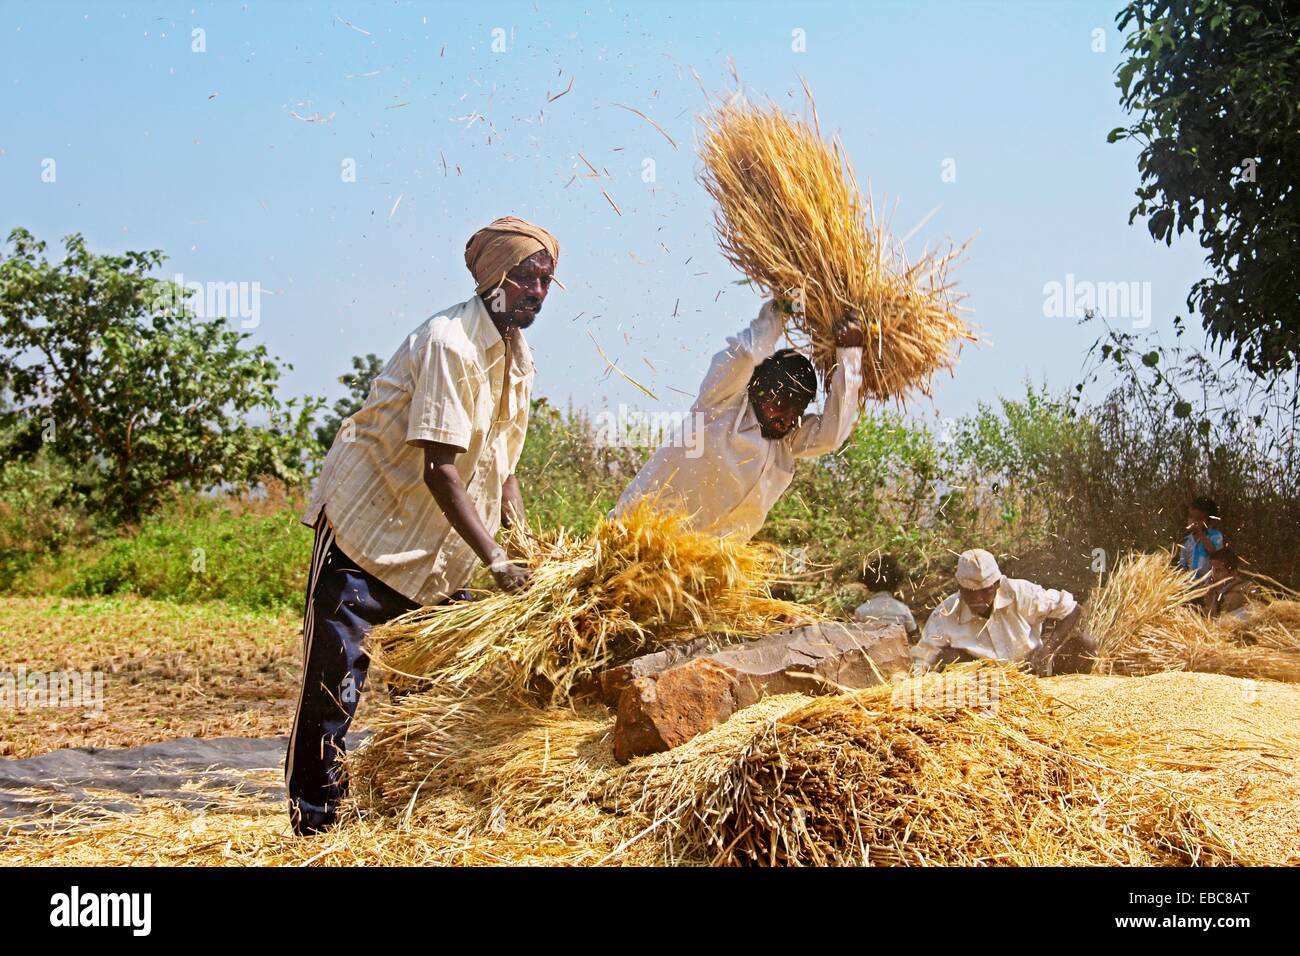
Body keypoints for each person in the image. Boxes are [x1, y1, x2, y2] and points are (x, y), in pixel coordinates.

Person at [286, 215, 559, 835]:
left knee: (437, 704)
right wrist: (495, 560)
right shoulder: (449, 344)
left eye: (547, 282)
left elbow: (503, 471)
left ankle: (405, 823)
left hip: (441, 561)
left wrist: (524, 549)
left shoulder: (521, 359)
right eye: (529, 279)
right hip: (370, 536)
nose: (539, 293)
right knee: (333, 694)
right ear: (495, 278)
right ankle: (315, 832)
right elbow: (441, 469)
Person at [613, 300, 863, 541]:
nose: (788, 417)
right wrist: (782, 310)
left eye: (798, 408)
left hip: (701, 567)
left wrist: (850, 354)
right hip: (636, 539)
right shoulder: (721, 403)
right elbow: (745, 353)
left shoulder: (786, 444)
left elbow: (832, 435)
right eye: (781, 401)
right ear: (758, 387)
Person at [913, 548, 1095, 676]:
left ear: (997, 584)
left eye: (985, 591)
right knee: (948, 657)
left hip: (1034, 671)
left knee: (1085, 644)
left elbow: (1072, 609)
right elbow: (923, 656)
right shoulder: (946, 612)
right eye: (969, 593)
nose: (977, 600)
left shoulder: (1020, 592)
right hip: (983, 682)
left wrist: (1046, 651)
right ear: (959, 587)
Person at [853, 554, 918, 639]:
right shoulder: (903, 610)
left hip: (872, 651)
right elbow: (913, 633)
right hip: (898, 650)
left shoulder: (861, 611)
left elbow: (856, 638)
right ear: (896, 583)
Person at [1179, 495, 1224, 580]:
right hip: (1192, 582)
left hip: (1210, 582)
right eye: (1191, 517)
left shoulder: (1215, 536)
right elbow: (1183, 563)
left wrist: (1201, 534)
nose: (1193, 522)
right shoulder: (1187, 540)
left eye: (1198, 519)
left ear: (1210, 522)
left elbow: (1215, 553)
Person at [1204, 547, 1253, 621]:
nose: (1212, 575)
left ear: (1233, 573)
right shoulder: (1215, 590)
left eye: (1218, 570)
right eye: (1210, 569)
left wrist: (1210, 604)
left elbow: (1220, 625)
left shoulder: (1238, 593)